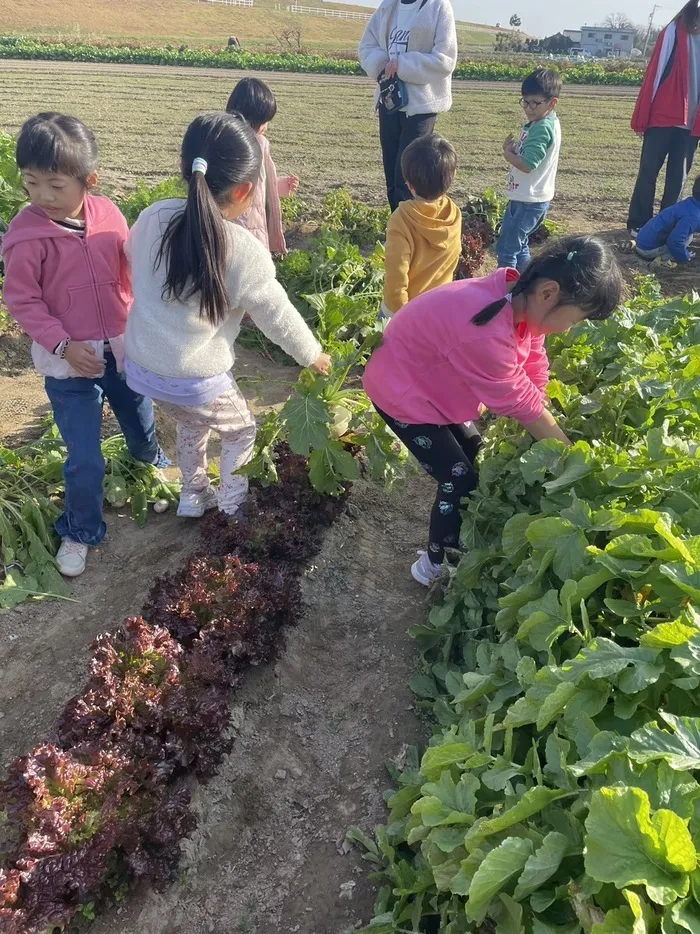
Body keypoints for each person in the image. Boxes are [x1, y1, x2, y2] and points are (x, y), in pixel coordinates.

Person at [363, 235, 623, 586]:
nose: (569, 329)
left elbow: (533, 360)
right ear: (549, 292)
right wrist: (570, 455)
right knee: (458, 478)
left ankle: (452, 544)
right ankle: (434, 565)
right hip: (401, 394)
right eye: (575, 321)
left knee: (476, 458)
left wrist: (543, 401)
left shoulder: (518, 297)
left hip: (430, 387)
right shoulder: (485, 330)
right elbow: (519, 403)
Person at [124, 112, 330, 519]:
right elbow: (277, 315)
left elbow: (134, 263)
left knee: (191, 423)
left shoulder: (153, 217)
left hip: (143, 369)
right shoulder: (242, 249)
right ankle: (232, 508)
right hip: (194, 378)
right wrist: (313, 354)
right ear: (245, 191)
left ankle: (193, 493)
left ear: (184, 168)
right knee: (241, 431)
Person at [1, 113, 166, 579]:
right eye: (31, 183)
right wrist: (63, 344)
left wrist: (143, 317)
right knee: (85, 458)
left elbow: (131, 269)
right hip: (69, 366)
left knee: (139, 417)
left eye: (55, 185)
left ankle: (149, 461)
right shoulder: (27, 235)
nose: (42, 197)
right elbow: (22, 300)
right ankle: (80, 529)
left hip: (120, 349)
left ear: (87, 181)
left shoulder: (110, 214)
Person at [359, 0, 457, 212]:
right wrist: (381, 65)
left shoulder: (438, 7)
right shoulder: (388, 6)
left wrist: (403, 65)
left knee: (409, 176)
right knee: (391, 176)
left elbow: (445, 59)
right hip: (389, 100)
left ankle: (413, 229)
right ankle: (397, 226)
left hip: (421, 106)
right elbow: (367, 45)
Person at [627, 0, 700, 236]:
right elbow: (654, 74)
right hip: (663, 114)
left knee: (677, 180)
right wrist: (643, 115)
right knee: (648, 172)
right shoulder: (674, 30)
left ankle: (666, 225)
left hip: (692, 122)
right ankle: (639, 222)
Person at [382, 133, 461, 316]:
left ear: (408, 184)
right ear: (452, 178)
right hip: (439, 308)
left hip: (404, 313)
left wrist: (403, 317)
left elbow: (396, 278)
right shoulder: (454, 213)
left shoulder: (401, 219)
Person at [497, 68, 562, 271]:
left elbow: (527, 165)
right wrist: (516, 150)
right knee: (520, 245)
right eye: (525, 101)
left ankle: (503, 293)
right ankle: (525, 283)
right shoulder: (543, 121)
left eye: (535, 102)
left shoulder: (542, 128)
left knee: (507, 250)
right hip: (532, 197)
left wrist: (509, 156)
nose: (529, 107)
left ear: (552, 103)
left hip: (528, 200)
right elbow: (533, 155)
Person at [225, 77, 298, 254]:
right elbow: (257, 183)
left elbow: (259, 184)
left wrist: (280, 186)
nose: (267, 126)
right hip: (250, 224)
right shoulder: (257, 145)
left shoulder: (224, 138)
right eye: (265, 120)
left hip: (228, 223)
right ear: (255, 120)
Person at [635, 174, 700, 262]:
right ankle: (661, 260)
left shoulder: (689, 204)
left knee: (685, 232)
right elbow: (675, 241)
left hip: (642, 240)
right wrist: (685, 256)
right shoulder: (693, 217)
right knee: (687, 238)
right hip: (647, 249)